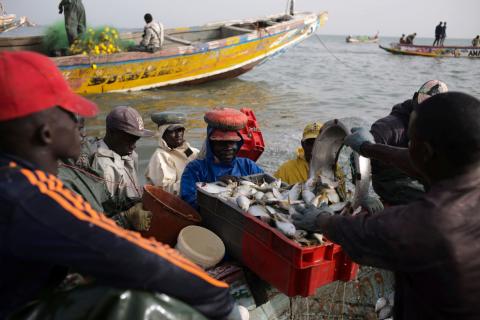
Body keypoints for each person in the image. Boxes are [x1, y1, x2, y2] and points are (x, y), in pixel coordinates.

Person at [0, 51, 240, 319]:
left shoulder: (13, 179)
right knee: (131, 302)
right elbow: (121, 252)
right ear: (45, 132)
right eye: (72, 114)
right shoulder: (28, 193)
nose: (82, 124)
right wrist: (217, 297)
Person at [293, 92, 480, 319]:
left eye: (410, 142)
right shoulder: (463, 170)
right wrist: (368, 148)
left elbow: (361, 232)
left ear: (426, 153)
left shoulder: (426, 224)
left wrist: (321, 220)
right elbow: (415, 161)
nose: (407, 147)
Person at [357, 80, 448, 205]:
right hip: (390, 180)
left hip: (418, 174)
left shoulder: (439, 127)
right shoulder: (387, 128)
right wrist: (363, 195)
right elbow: (358, 155)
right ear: (415, 99)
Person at [58, 118, 152, 231]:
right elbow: (84, 233)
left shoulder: (82, 160)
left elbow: (105, 199)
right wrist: (125, 219)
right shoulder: (58, 181)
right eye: (76, 129)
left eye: (83, 127)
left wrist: (133, 202)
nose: (83, 134)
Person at [180, 108, 263, 208]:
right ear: (211, 144)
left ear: (238, 143)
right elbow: (188, 201)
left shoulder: (248, 166)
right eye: (222, 143)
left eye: (232, 142)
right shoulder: (195, 169)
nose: (228, 147)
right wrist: (215, 187)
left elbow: (264, 187)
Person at [85, 106, 153, 212]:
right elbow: (103, 213)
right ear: (112, 133)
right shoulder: (104, 168)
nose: (133, 145)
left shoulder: (128, 154)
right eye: (129, 139)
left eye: (136, 139)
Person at [145, 112, 199, 195]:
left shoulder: (189, 151)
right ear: (163, 134)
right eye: (173, 131)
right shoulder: (160, 156)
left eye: (180, 130)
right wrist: (193, 180)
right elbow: (165, 191)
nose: (178, 135)